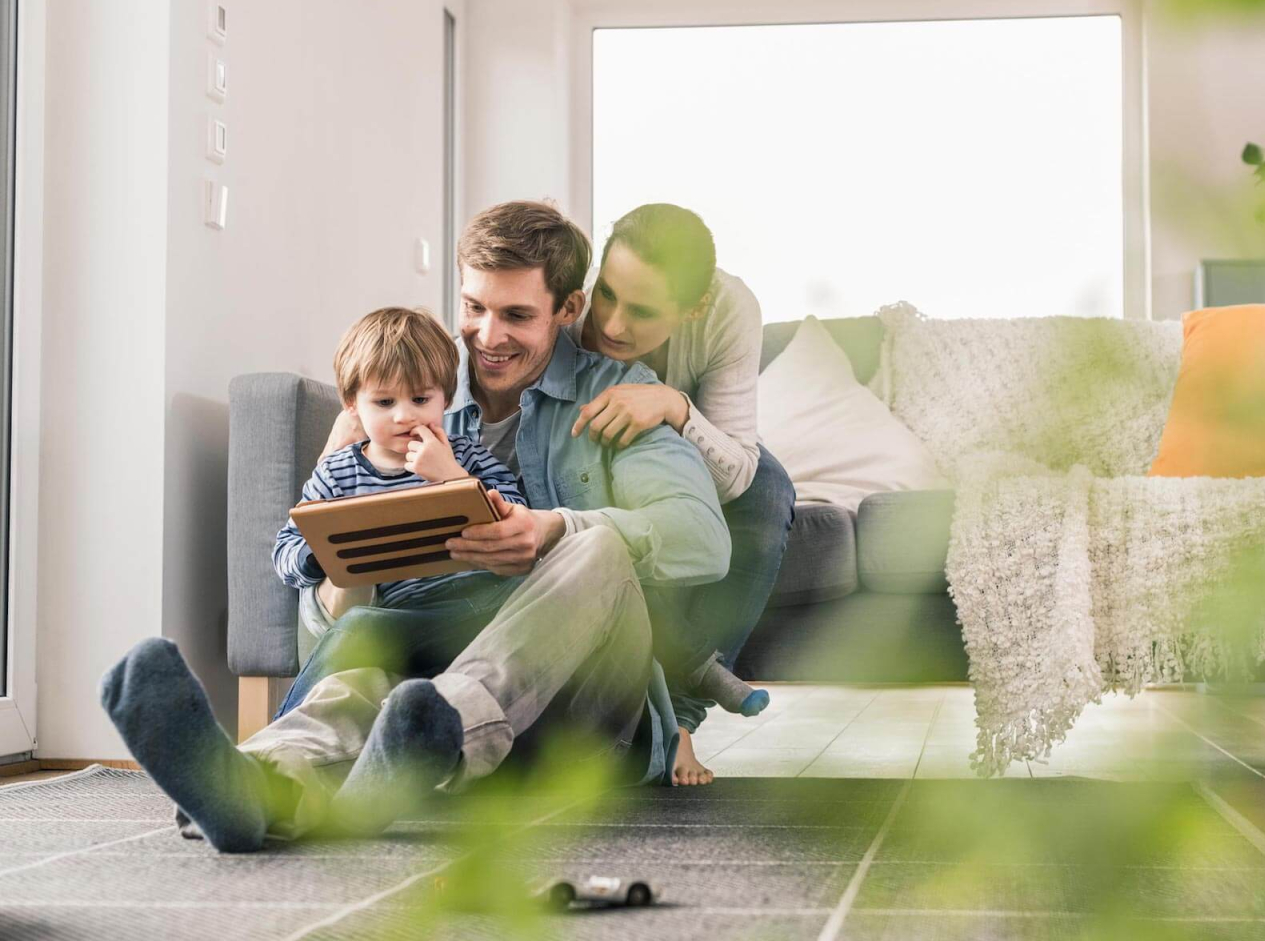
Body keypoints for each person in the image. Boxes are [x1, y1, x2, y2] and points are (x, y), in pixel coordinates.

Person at [99, 200, 729, 852]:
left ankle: (446, 725)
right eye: (475, 307)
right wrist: (341, 554)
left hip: (583, 717)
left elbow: (702, 539)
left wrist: (550, 528)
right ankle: (259, 784)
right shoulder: (414, 407)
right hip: (415, 713)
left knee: (593, 543)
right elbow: (325, 620)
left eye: (516, 315)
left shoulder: (620, 396)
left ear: (568, 309)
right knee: (369, 645)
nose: (487, 336)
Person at [570, 204, 796, 785]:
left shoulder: (729, 310)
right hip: (593, 452)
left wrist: (674, 408)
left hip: (689, 452)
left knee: (770, 489)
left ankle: (681, 725)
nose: (614, 326)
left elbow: (739, 468)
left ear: (692, 308)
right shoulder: (570, 292)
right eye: (608, 296)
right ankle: (673, 693)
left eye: (642, 311)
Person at [270, 305, 527, 710]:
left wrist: (452, 477)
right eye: (385, 401)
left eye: (421, 398)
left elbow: (517, 515)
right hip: (391, 617)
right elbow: (284, 551)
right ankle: (274, 753)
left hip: (472, 608)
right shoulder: (338, 472)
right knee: (353, 631)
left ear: (445, 398)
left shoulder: (465, 456)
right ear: (353, 404)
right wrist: (324, 553)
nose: (405, 415)